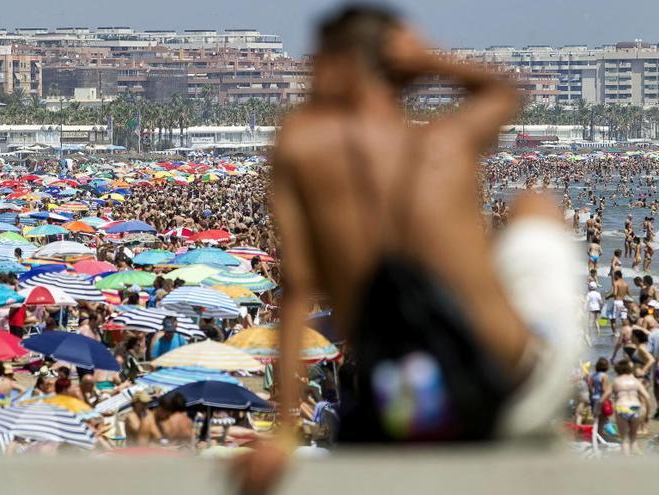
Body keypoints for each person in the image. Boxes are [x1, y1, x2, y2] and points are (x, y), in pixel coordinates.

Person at [236, 6, 581, 492]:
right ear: (400, 65)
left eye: (316, 59)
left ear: (339, 65)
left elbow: (294, 292)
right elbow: (506, 92)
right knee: (534, 205)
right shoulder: (446, 141)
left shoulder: (300, 147)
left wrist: (286, 432)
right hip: (510, 386)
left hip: (409, 402)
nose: (308, 71)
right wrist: (433, 60)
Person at [602, 360, 650, 456]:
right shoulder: (636, 381)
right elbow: (647, 397)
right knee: (633, 438)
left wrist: (597, 410)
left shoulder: (616, 381)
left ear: (617, 370)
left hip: (622, 407)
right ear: (629, 369)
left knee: (624, 440)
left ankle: (626, 463)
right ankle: (640, 460)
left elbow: (603, 398)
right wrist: (647, 413)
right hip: (635, 407)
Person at [588, 358, 611, 441]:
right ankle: (599, 436)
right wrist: (609, 397)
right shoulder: (604, 376)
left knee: (596, 418)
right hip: (601, 398)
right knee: (602, 419)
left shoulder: (593, 375)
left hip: (594, 397)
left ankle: (596, 435)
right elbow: (605, 389)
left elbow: (590, 388)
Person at [607, 270, 629, 337]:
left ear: (617, 275)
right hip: (623, 303)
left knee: (613, 319)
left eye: (614, 275)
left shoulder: (615, 283)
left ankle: (615, 333)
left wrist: (607, 296)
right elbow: (629, 294)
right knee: (623, 318)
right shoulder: (626, 284)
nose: (613, 277)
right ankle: (626, 332)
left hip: (617, 302)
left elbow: (615, 293)